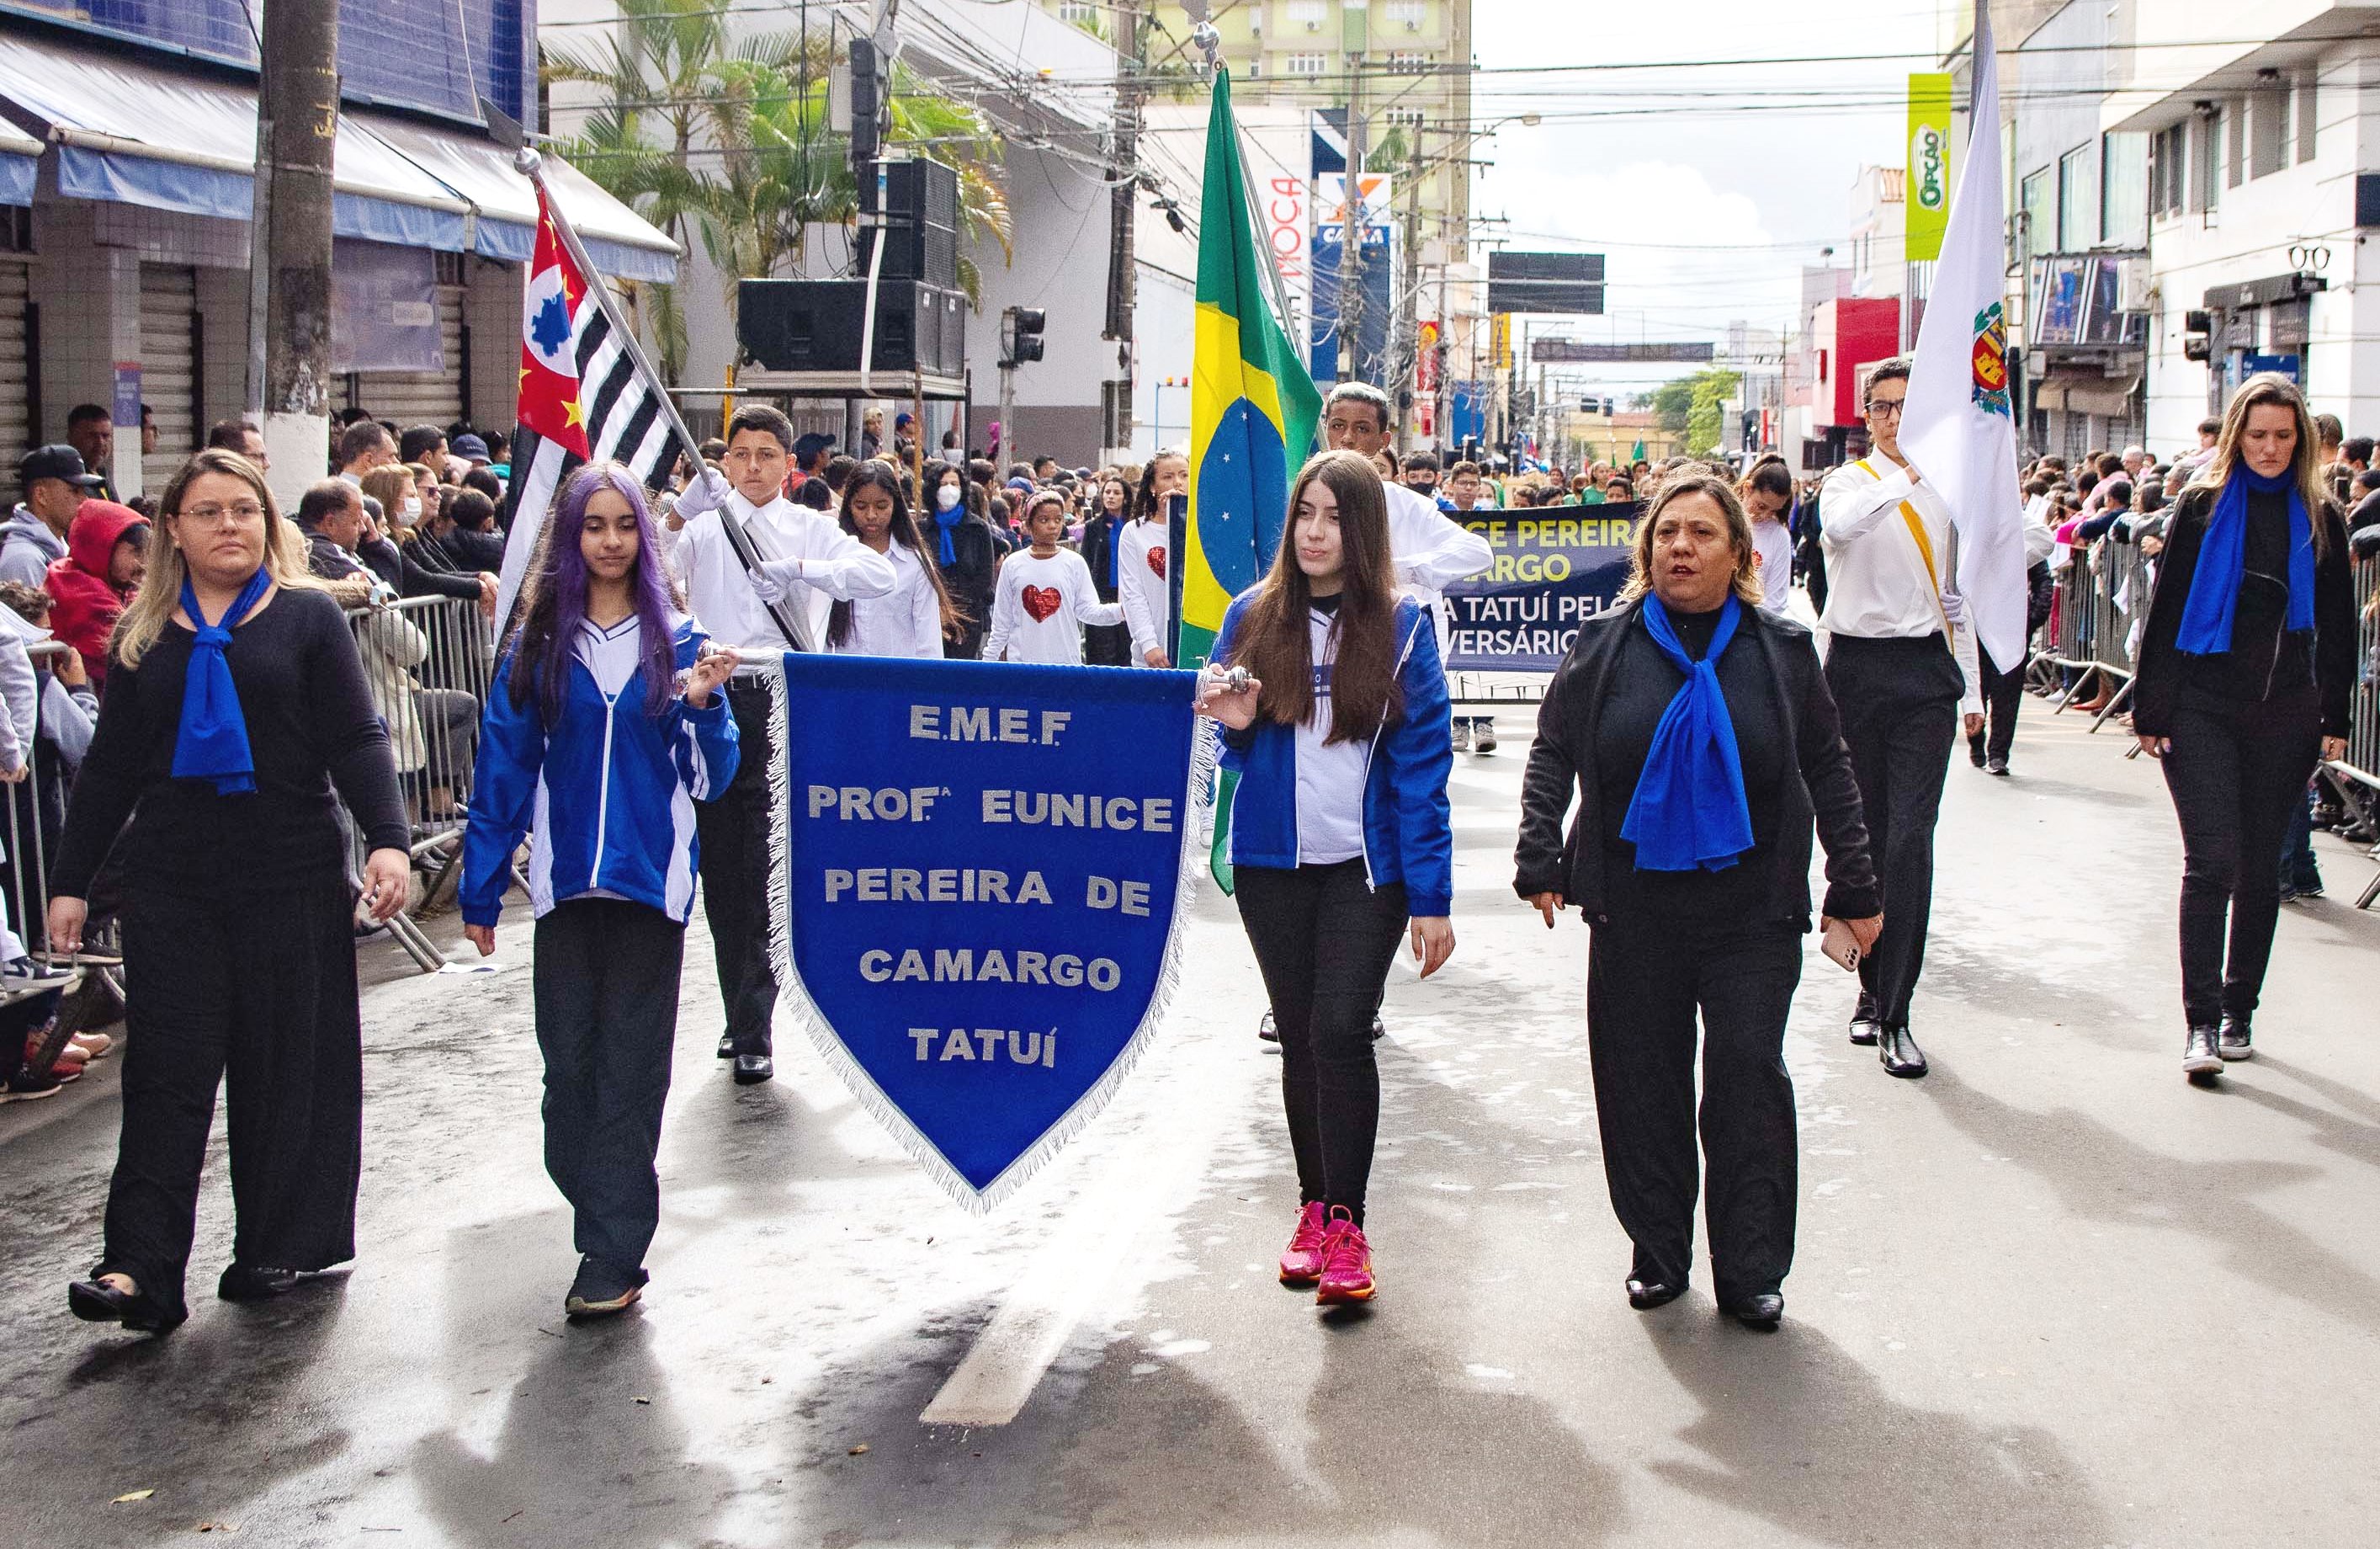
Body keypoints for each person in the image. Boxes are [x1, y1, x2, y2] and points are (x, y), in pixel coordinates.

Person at [48, 448, 410, 1333]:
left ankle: (278, 1244)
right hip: (173, 882)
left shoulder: (306, 618)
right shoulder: (142, 634)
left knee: (283, 1064)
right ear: (174, 529)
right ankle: (138, 1268)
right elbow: (109, 769)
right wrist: (70, 884)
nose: (229, 527)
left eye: (244, 510)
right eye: (208, 512)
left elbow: (356, 736)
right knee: (164, 1073)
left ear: (267, 523)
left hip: (290, 873)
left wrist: (390, 841)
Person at [1514, 473, 1879, 1330]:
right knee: (1641, 1082)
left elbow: (1828, 767)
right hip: (1633, 908)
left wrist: (1855, 883)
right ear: (1647, 550)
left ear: (1741, 555)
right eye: (1666, 532)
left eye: (1702, 533)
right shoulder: (1604, 645)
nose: (1681, 546)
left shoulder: (1781, 651)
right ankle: (1658, 1249)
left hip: (1752, 912)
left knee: (1748, 1079)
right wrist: (1539, 852)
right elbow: (1552, 749)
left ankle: (1751, 1267)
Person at [461, 462, 741, 1318]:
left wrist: (701, 708)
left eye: (625, 525)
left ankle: (611, 1254)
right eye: (594, 525)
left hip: (650, 891)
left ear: (645, 540)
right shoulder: (540, 644)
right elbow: (504, 766)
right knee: (569, 1080)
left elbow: (714, 778)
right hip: (564, 891)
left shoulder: (683, 643)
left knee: (629, 1073)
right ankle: (606, 1203)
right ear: (571, 537)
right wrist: (480, 888)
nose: (611, 541)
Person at [1198, 450, 1456, 1307]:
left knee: (1343, 1029)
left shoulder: (1402, 625)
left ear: (1365, 530)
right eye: (1304, 514)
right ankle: (1312, 1211)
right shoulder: (1250, 614)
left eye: (1335, 518)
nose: (1314, 533)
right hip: (1271, 865)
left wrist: (1431, 896)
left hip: (1367, 871)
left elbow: (1423, 770)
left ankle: (1348, 1224)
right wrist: (1234, 724)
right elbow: (1226, 742)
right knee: (1301, 1034)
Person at [2130, 375, 2356, 1080]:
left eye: (2283, 436)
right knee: (2213, 861)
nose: (2269, 448)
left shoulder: (2321, 515)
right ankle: (2199, 1022)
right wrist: (2150, 707)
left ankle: (2238, 1011)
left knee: (2261, 869)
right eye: (2257, 435)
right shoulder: (2201, 506)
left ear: (2301, 441)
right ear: (2236, 436)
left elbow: (2339, 625)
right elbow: (2168, 609)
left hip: (2285, 712)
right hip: (2201, 707)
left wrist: (2336, 715)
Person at [669, 406, 895, 1083]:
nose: (754, 467)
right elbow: (652, 571)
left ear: (789, 465)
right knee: (720, 865)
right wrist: (677, 514)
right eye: (741, 455)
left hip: (780, 694)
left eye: (767, 455)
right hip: (715, 693)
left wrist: (802, 570)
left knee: (766, 862)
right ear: (726, 462)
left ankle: (755, 1023)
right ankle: (737, 1008)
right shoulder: (707, 528)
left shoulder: (811, 528)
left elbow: (880, 575)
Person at [1817, 358, 1981, 1079]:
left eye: (1907, 407)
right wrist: (1909, 475)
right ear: (1866, 416)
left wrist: (1972, 694)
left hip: (1923, 676)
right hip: (1855, 672)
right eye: (1882, 407)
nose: (1893, 418)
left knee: (1911, 839)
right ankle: (1867, 979)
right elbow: (1843, 528)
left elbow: (1958, 600)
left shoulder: (1950, 492)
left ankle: (1895, 1010)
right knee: (1865, 840)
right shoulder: (1847, 483)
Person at [826, 460, 958, 658]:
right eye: (861, 506)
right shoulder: (834, 557)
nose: (871, 515)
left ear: (895, 505)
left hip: (898, 675)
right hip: (844, 674)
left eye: (881, 506)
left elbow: (929, 641)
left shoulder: (914, 564)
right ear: (848, 506)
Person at [983, 491, 1126, 663]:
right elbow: (1001, 624)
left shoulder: (1074, 562)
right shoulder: (1012, 564)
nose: (1052, 526)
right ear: (1029, 523)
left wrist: (1122, 610)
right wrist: (987, 663)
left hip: (1065, 664)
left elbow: (1088, 610)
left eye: (1058, 520)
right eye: (1044, 520)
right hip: (1022, 666)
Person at [45, 499, 148, 699]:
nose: (144, 562)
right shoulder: (78, 593)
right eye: (136, 551)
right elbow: (139, 656)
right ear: (103, 548)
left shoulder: (114, 585)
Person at [920, 459, 998, 659]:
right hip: (930, 616)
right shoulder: (923, 529)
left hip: (967, 618)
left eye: (954, 484)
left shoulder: (977, 528)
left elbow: (984, 576)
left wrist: (956, 610)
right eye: (944, 484)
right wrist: (939, 609)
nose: (949, 489)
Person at [1118, 450, 1187, 667]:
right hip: (1153, 654)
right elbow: (1133, 593)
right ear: (1152, 486)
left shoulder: (1200, 531)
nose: (1177, 483)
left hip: (1193, 649)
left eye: (1184, 475)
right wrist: (1149, 644)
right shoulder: (1134, 532)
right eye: (1168, 477)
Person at [4, 444, 104, 590]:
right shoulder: (24, 560)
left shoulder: (59, 547)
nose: (85, 500)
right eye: (75, 490)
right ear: (41, 495)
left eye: (84, 491)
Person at [1076, 473, 1136, 667]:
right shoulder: (1093, 527)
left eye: (1116, 493)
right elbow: (1086, 560)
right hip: (1100, 594)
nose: (1111, 496)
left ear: (1125, 498)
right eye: (1107, 492)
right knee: (1102, 649)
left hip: (1128, 593)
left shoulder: (1133, 527)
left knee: (1126, 648)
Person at [1738, 456, 1798, 615]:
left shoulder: (1779, 536)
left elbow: (1776, 600)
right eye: (1761, 506)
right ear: (1747, 488)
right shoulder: (1722, 520)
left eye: (1773, 511)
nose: (1765, 515)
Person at [65, 405, 115, 502]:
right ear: (71, 437)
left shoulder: (102, 473)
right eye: (92, 436)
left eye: (105, 436)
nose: (100, 442)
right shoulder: (68, 478)